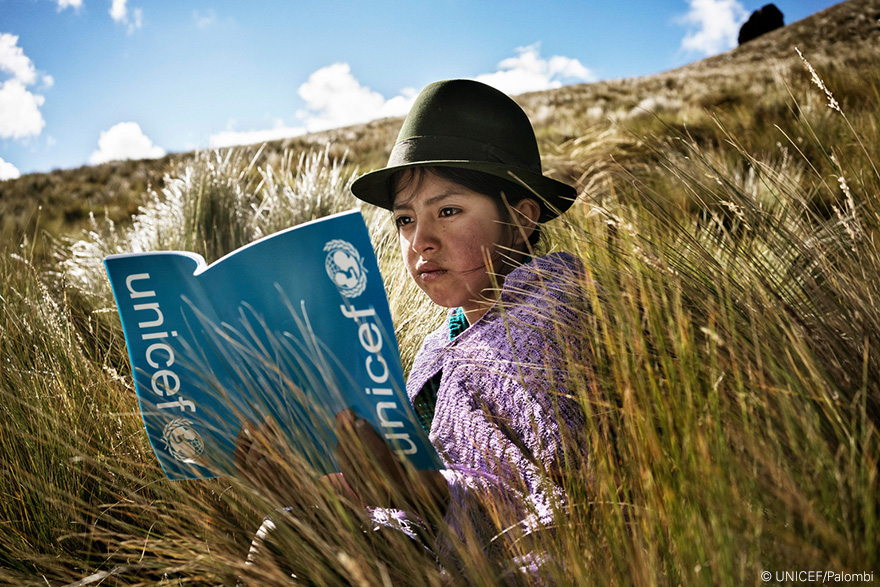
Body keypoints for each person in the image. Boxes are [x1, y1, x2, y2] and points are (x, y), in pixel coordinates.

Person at [236, 79, 588, 579]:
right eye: (404, 220)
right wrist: (299, 483)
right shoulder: (439, 346)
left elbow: (559, 500)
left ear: (522, 215)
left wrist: (411, 489)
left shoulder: (553, 320)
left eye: (447, 211)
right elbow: (401, 481)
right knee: (282, 533)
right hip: (422, 548)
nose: (420, 240)